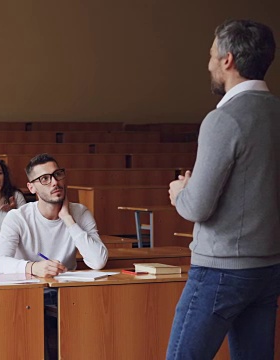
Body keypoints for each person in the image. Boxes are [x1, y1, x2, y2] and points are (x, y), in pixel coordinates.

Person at [166, 20, 280, 360]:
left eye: (212, 55)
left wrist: (180, 192)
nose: (209, 64)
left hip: (220, 269)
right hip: (269, 266)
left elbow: (197, 206)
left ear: (228, 60)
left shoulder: (223, 119)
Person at [0, 153, 108, 276]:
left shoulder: (80, 213)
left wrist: (68, 219)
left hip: (66, 287)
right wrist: (33, 267)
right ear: (31, 188)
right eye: (44, 179)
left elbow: (98, 261)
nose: (54, 182)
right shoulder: (17, 217)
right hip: (29, 289)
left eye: (57, 174)